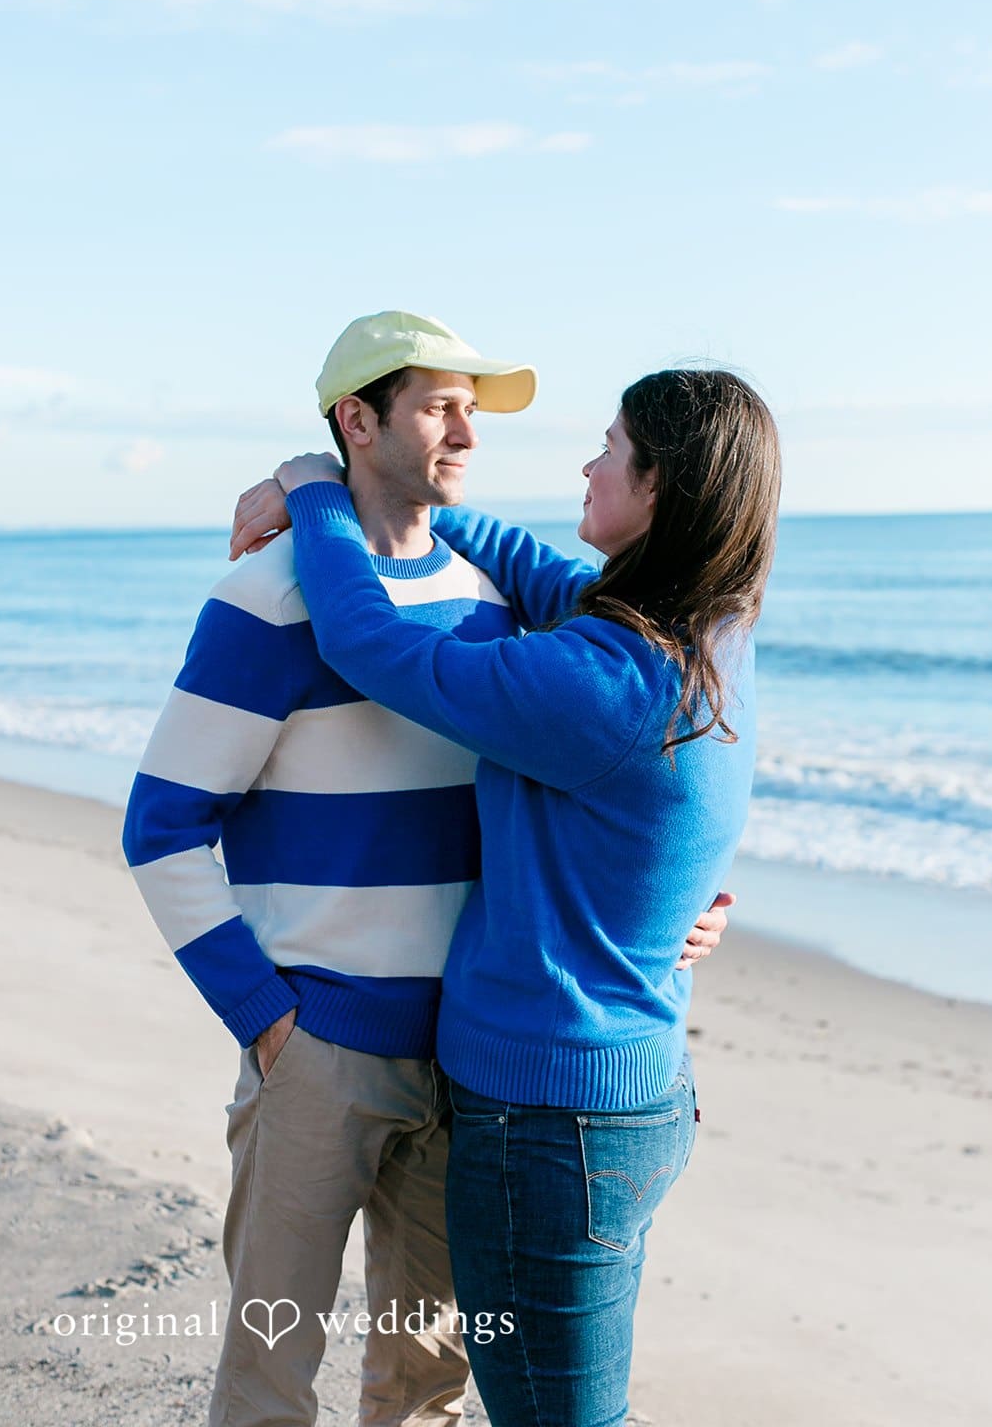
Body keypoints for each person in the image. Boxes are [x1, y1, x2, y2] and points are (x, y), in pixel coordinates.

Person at [122, 311, 732, 1427]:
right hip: (316, 1049)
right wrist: (263, 1018)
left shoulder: (503, 610)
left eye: (472, 409)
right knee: (267, 1374)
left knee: (425, 1384)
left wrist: (676, 904)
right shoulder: (271, 599)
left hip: (470, 1072)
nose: (468, 433)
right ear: (359, 420)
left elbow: (640, 769)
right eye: (439, 407)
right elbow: (160, 827)